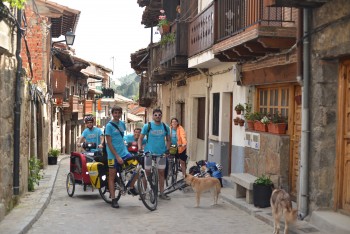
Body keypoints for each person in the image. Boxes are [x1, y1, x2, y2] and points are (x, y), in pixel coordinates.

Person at [138, 108, 171, 200]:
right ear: (153, 116)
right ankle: (145, 192)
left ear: (161, 116)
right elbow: (140, 138)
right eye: (155, 115)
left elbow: (168, 140)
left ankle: (162, 193)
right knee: (147, 172)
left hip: (161, 154)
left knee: (161, 173)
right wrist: (140, 148)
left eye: (159, 115)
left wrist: (167, 149)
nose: (157, 116)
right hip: (149, 153)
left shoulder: (165, 127)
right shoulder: (147, 126)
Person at [105, 106, 133, 208]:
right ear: (112, 114)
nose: (117, 115)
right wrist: (117, 156)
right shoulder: (109, 126)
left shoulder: (122, 124)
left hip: (124, 152)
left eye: (119, 113)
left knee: (136, 168)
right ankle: (113, 199)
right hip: (112, 155)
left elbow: (122, 138)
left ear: (121, 114)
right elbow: (109, 143)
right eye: (115, 113)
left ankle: (130, 186)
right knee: (112, 176)